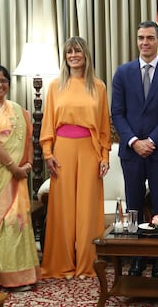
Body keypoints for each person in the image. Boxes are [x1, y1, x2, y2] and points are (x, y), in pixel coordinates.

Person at [111, 21, 158, 278]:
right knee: (134, 204)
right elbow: (117, 113)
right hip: (131, 152)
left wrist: (151, 140)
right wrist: (133, 141)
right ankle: (138, 256)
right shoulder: (123, 72)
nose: (145, 42)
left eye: (150, 38)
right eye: (141, 37)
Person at [40, 37, 111, 279]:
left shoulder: (98, 86)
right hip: (62, 151)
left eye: (78, 51)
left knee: (87, 209)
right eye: (69, 51)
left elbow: (103, 126)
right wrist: (48, 153)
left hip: (90, 150)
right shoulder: (54, 86)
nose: (73, 55)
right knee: (63, 209)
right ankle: (62, 264)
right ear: (65, 56)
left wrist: (105, 156)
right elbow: (48, 120)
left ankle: (86, 265)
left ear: (85, 55)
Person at [0, 64, 40, 290]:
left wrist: (29, 164)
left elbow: (27, 140)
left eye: (3, 80)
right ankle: (3, 276)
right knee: (2, 223)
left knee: (19, 222)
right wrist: (14, 167)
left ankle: (21, 275)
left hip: (17, 174)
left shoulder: (17, 109)